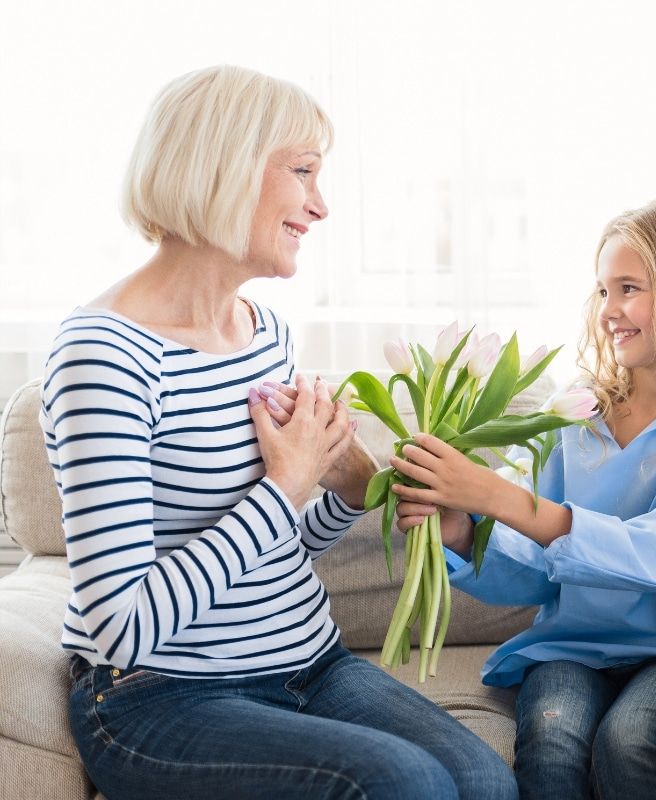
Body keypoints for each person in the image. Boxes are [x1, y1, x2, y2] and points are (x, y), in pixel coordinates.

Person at [42, 64, 517, 800]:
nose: (320, 206)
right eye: (302, 172)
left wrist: (346, 490)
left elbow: (273, 555)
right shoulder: (103, 354)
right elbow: (119, 629)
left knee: (482, 780)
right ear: (223, 169)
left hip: (308, 665)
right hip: (159, 699)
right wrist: (284, 484)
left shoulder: (264, 333)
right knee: (403, 784)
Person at [389, 195, 656, 799]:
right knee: (553, 743)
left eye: (629, 288)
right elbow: (534, 572)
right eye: (603, 290)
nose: (610, 310)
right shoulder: (579, 416)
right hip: (571, 647)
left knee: (628, 741)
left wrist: (501, 498)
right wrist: (460, 532)